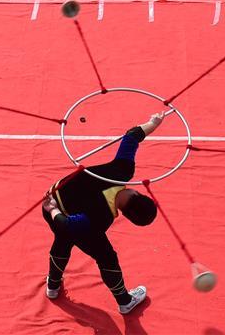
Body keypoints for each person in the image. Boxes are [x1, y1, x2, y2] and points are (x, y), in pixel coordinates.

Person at [42, 111, 164, 313]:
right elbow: (69, 225)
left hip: (54, 205)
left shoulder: (122, 172)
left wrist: (154, 123)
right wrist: (54, 210)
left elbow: (132, 136)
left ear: (137, 193)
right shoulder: (102, 219)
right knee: (106, 257)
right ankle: (124, 301)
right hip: (60, 213)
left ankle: (53, 286)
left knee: (63, 238)